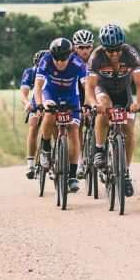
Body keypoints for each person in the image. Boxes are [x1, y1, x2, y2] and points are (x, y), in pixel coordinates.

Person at [85, 23, 140, 197]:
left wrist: (139, 104)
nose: (114, 54)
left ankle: (125, 173)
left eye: (117, 50)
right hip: (103, 89)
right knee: (104, 107)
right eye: (110, 51)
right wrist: (93, 104)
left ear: (123, 47)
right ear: (103, 49)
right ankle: (99, 149)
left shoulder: (131, 54)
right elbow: (90, 87)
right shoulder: (96, 57)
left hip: (123, 91)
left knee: (128, 127)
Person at [33, 37, 87, 193]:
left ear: (70, 55)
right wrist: (39, 104)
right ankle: (45, 147)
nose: (60, 62)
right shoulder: (46, 60)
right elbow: (38, 86)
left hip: (72, 96)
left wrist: (88, 103)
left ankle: (72, 176)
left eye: (63, 59)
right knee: (49, 115)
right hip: (51, 93)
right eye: (56, 59)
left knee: (74, 129)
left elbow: (87, 86)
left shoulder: (77, 63)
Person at [21, 49, 47, 179]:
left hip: (50, 101)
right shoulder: (30, 72)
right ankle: (30, 163)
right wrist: (26, 103)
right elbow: (24, 92)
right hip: (36, 103)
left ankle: (56, 156)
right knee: (33, 126)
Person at [72, 29, 94, 179]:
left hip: (92, 91)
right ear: (74, 47)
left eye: (87, 47)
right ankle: (80, 160)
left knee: (100, 117)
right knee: (78, 123)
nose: (85, 51)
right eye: (81, 47)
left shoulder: (97, 58)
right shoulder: (71, 59)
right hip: (76, 92)